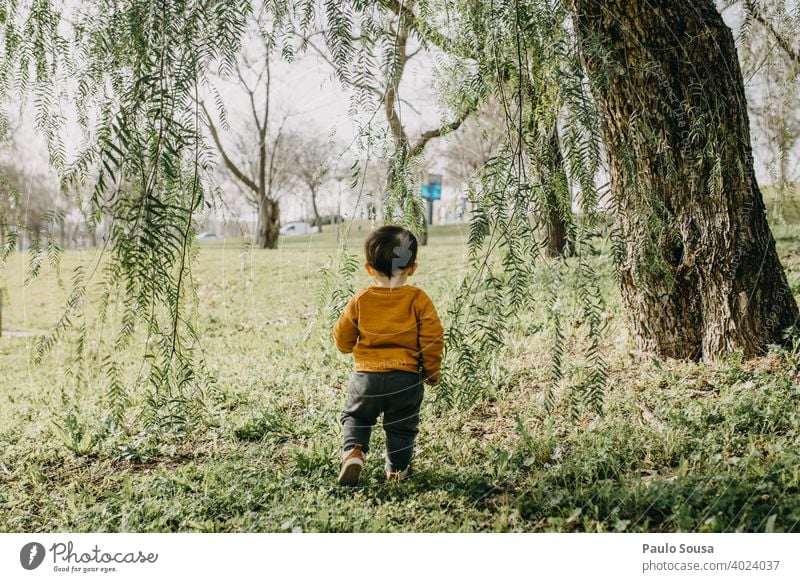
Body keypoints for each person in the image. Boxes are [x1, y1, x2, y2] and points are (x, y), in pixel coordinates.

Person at [332, 225, 444, 486]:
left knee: (357, 417)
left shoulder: (361, 299)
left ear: (369, 268)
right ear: (412, 267)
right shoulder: (418, 299)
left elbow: (342, 337)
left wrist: (347, 346)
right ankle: (397, 470)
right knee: (401, 426)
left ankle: (354, 453)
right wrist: (431, 371)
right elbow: (432, 337)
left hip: (366, 378)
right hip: (405, 380)